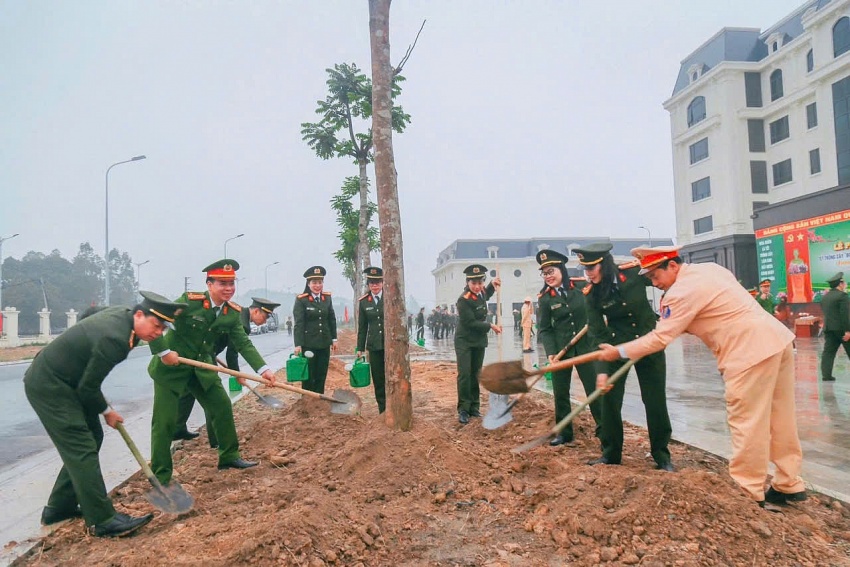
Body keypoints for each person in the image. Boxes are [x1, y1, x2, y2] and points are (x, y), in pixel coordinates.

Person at [597, 246, 806, 507]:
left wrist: (618, 351)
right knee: (781, 416)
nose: (655, 283)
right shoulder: (710, 269)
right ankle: (789, 483)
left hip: (747, 352)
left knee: (747, 421)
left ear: (672, 265)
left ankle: (747, 491)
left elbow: (661, 338)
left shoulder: (680, 293)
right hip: (777, 341)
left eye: (655, 276)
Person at [24, 291, 184, 537]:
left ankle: (59, 507)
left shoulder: (122, 314)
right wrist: (108, 411)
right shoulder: (115, 340)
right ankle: (102, 520)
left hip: (69, 380)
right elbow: (88, 389)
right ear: (139, 314)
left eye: (163, 328)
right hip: (51, 386)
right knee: (82, 446)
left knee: (93, 437)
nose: (158, 333)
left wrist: (79, 347)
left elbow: (90, 314)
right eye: (156, 325)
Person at [147, 260, 277, 485]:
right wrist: (163, 352)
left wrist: (263, 369)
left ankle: (229, 456)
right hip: (171, 368)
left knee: (222, 406)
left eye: (231, 283)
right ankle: (161, 475)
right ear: (209, 284)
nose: (228, 288)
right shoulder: (190, 302)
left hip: (201, 369)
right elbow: (156, 319)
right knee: (164, 421)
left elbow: (243, 343)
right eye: (222, 283)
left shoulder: (231, 313)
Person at [574, 242, 674, 472]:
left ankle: (662, 456)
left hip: (649, 343)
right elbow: (596, 333)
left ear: (605, 264)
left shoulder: (633, 273)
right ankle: (610, 454)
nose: (588, 274)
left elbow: (661, 279)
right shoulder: (591, 294)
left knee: (654, 400)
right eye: (585, 270)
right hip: (616, 347)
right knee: (608, 400)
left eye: (592, 268)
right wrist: (601, 371)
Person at [172, 296, 281, 448]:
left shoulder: (236, 314)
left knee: (188, 391)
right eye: (265, 316)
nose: (265, 321)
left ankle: (178, 429)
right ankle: (216, 439)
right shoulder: (241, 322)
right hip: (202, 355)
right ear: (256, 311)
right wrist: (237, 375)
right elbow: (232, 353)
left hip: (204, 352)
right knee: (213, 397)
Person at [535, 249, 602, 446]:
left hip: (585, 348)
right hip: (560, 351)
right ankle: (564, 433)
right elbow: (545, 329)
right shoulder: (545, 298)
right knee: (560, 393)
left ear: (562, 270)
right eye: (545, 273)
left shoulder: (581, 287)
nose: (548, 277)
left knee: (593, 391)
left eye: (551, 271)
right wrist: (551, 353)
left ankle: (604, 429)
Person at [454, 264, 502, 424]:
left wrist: (492, 286)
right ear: (468, 283)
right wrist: (490, 326)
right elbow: (470, 323)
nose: (477, 286)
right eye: (473, 283)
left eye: (480, 283)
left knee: (475, 373)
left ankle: (474, 407)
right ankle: (463, 409)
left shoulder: (480, 292)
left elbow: (484, 296)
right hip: (465, 341)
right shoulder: (463, 300)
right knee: (465, 374)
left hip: (478, 340)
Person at [293, 266, 338, 394]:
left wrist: (334, 339)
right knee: (309, 373)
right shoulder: (302, 300)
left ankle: (320, 400)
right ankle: (307, 400)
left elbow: (331, 319)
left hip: (324, 342)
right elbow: (299, 324)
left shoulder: (327, 298)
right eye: (314, 283)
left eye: (320, 282)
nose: (317, 286)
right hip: (309, 344)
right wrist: (298, 344)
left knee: (321, 373)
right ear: (308, 284)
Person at [356, 266, 387, 413]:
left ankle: (393, 405)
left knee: (391, 377)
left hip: (390, 345)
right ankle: (382, 409)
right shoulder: (364, 302)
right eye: (371, 283)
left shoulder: (390, 297)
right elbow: (362, 328)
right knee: (378, 379)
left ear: (382, 283)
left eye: (377, 282)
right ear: (368, 285)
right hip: (374, 346)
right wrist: (359, 348)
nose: (374, 285)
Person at [820, 272, 849, 382]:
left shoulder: (825, 297)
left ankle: (826, 376)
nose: (845, 284)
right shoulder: (843, 296)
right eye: (844, 282)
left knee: (828, 353)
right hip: (842, 330)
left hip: (829, 329)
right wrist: (847, 331)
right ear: (840, 284)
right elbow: (845, 315)